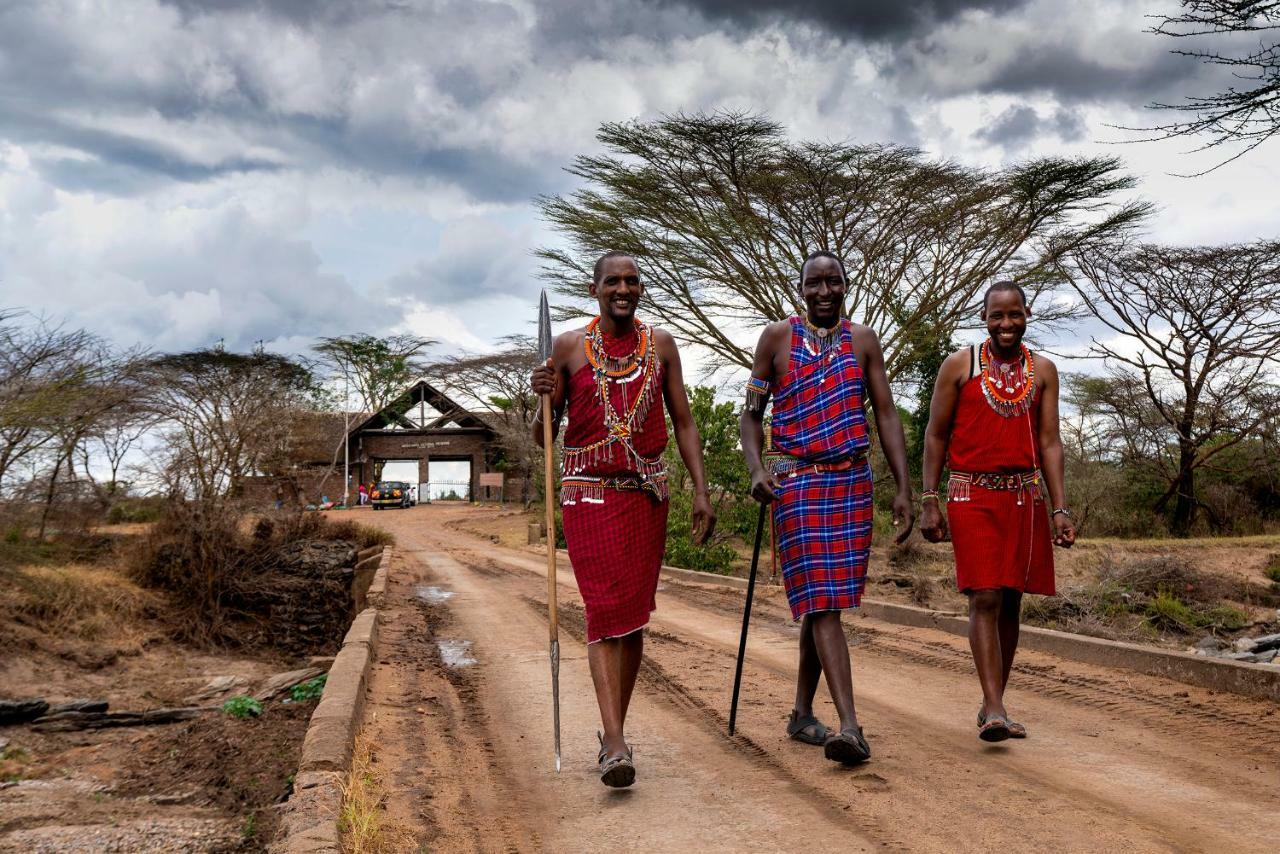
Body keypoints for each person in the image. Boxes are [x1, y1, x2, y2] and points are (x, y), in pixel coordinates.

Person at [531, 251, 715, 788]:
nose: (624, 288)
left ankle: (615, 729)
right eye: (613, 280)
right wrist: (538, 397)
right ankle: (614, 741)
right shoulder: (567, 349)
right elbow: (542, 435)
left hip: (646, 497)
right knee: (605, 610)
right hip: (588, 494)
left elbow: (683, 421)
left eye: (633, 281)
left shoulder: (662, 347)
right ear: (595, 289)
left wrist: (701, 489)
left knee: (633, 618)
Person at [739, 251, 914, 766]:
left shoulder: (864, 341)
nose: (823, 292)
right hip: (795, 483)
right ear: (800, 288)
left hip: (852, 482)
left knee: (824, 604)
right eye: (813, 283)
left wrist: (904, 488)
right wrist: (755, 470)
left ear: (846, 286)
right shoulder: (776, 339)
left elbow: (885, 413)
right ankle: (851, 727)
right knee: (823, 601)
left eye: (832, 282)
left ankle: (799, 713)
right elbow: (751, 416)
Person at [920, 281, 1076, 742]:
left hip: (1025, 497)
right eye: (996, 316)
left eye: (1014, 315)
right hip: (972, 494)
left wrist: (1060, 508)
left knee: (1012, 600)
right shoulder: (959, 365)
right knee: (984, 595)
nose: (1006, 324)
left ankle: (995, 704)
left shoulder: (1043, 370)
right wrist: (930, 498)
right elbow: (935, 434)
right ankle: (994, 707)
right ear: (983, 317)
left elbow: (1049, 441)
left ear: (1027, 314)